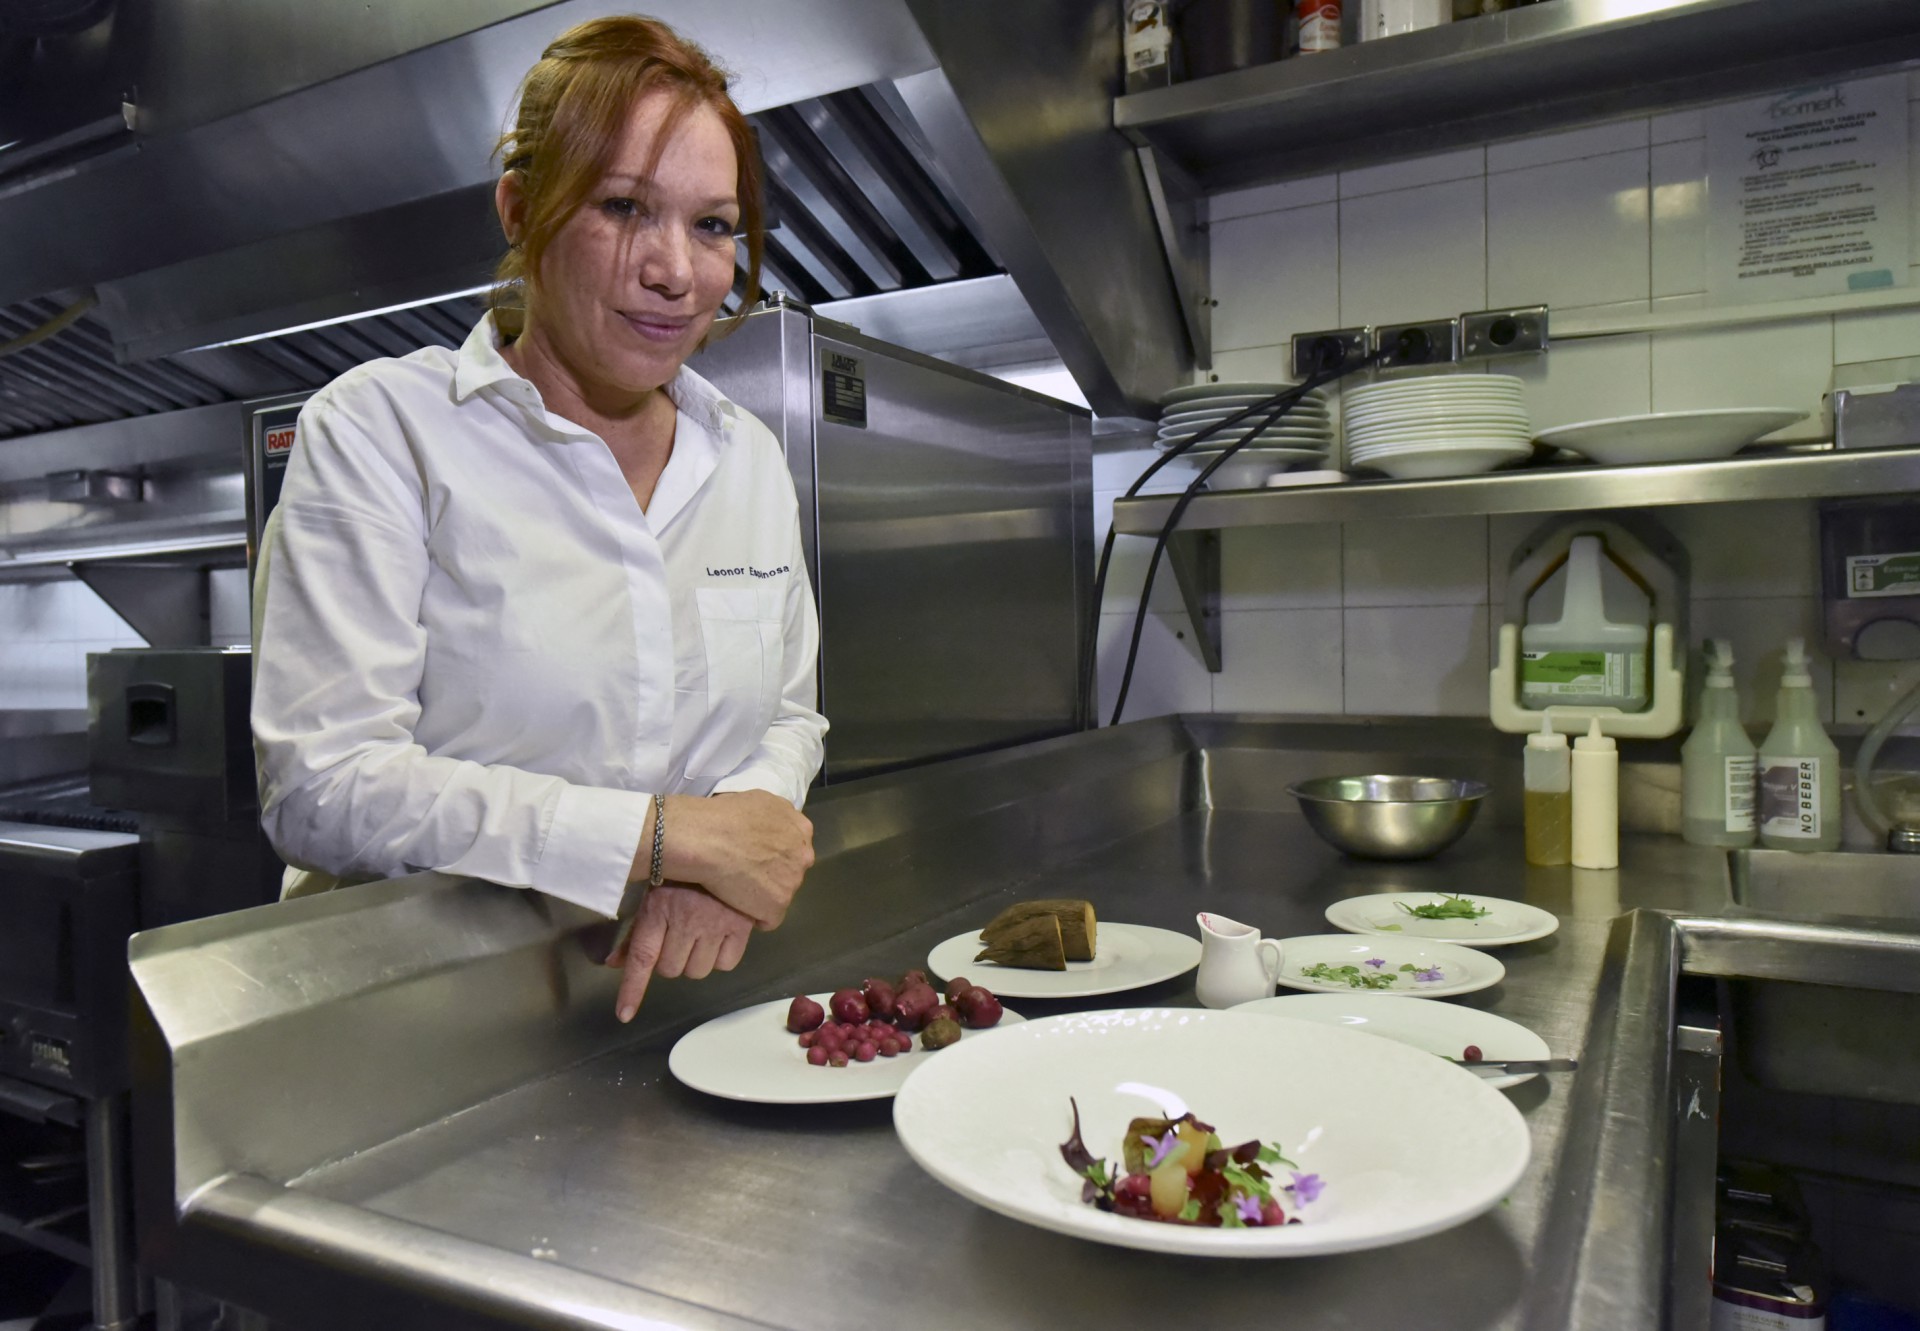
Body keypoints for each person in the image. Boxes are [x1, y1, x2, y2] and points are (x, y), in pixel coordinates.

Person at [250, 15, 825, 1023]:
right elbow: (321, 784)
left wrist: (741, 830)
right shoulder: (385, 429)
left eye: (712, 225)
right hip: (409, 1029)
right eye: (623, 207)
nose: (676, 271)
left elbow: (787, 712)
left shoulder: (748, 460)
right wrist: (660, 838)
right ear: (522, 210)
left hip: (665, 1009)